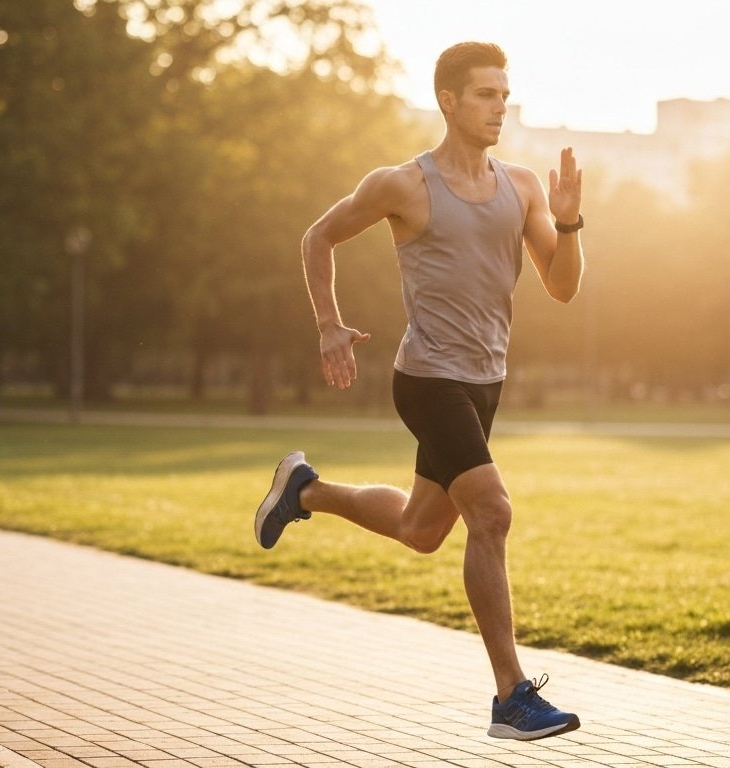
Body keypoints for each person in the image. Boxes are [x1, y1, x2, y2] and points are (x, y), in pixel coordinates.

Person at [254, 41, 586, 741]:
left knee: (421, 529)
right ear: (449, 100)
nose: (500, 106)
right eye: (486, 95)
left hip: (484, 382)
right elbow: (318, 238)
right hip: (429, 378)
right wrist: (328, 324)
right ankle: (511, 696)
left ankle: (303, 489)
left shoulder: (522, 185)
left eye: (505, 94)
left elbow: (561, 287)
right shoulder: (404, 184)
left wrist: (568, 221)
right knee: (490, 514)